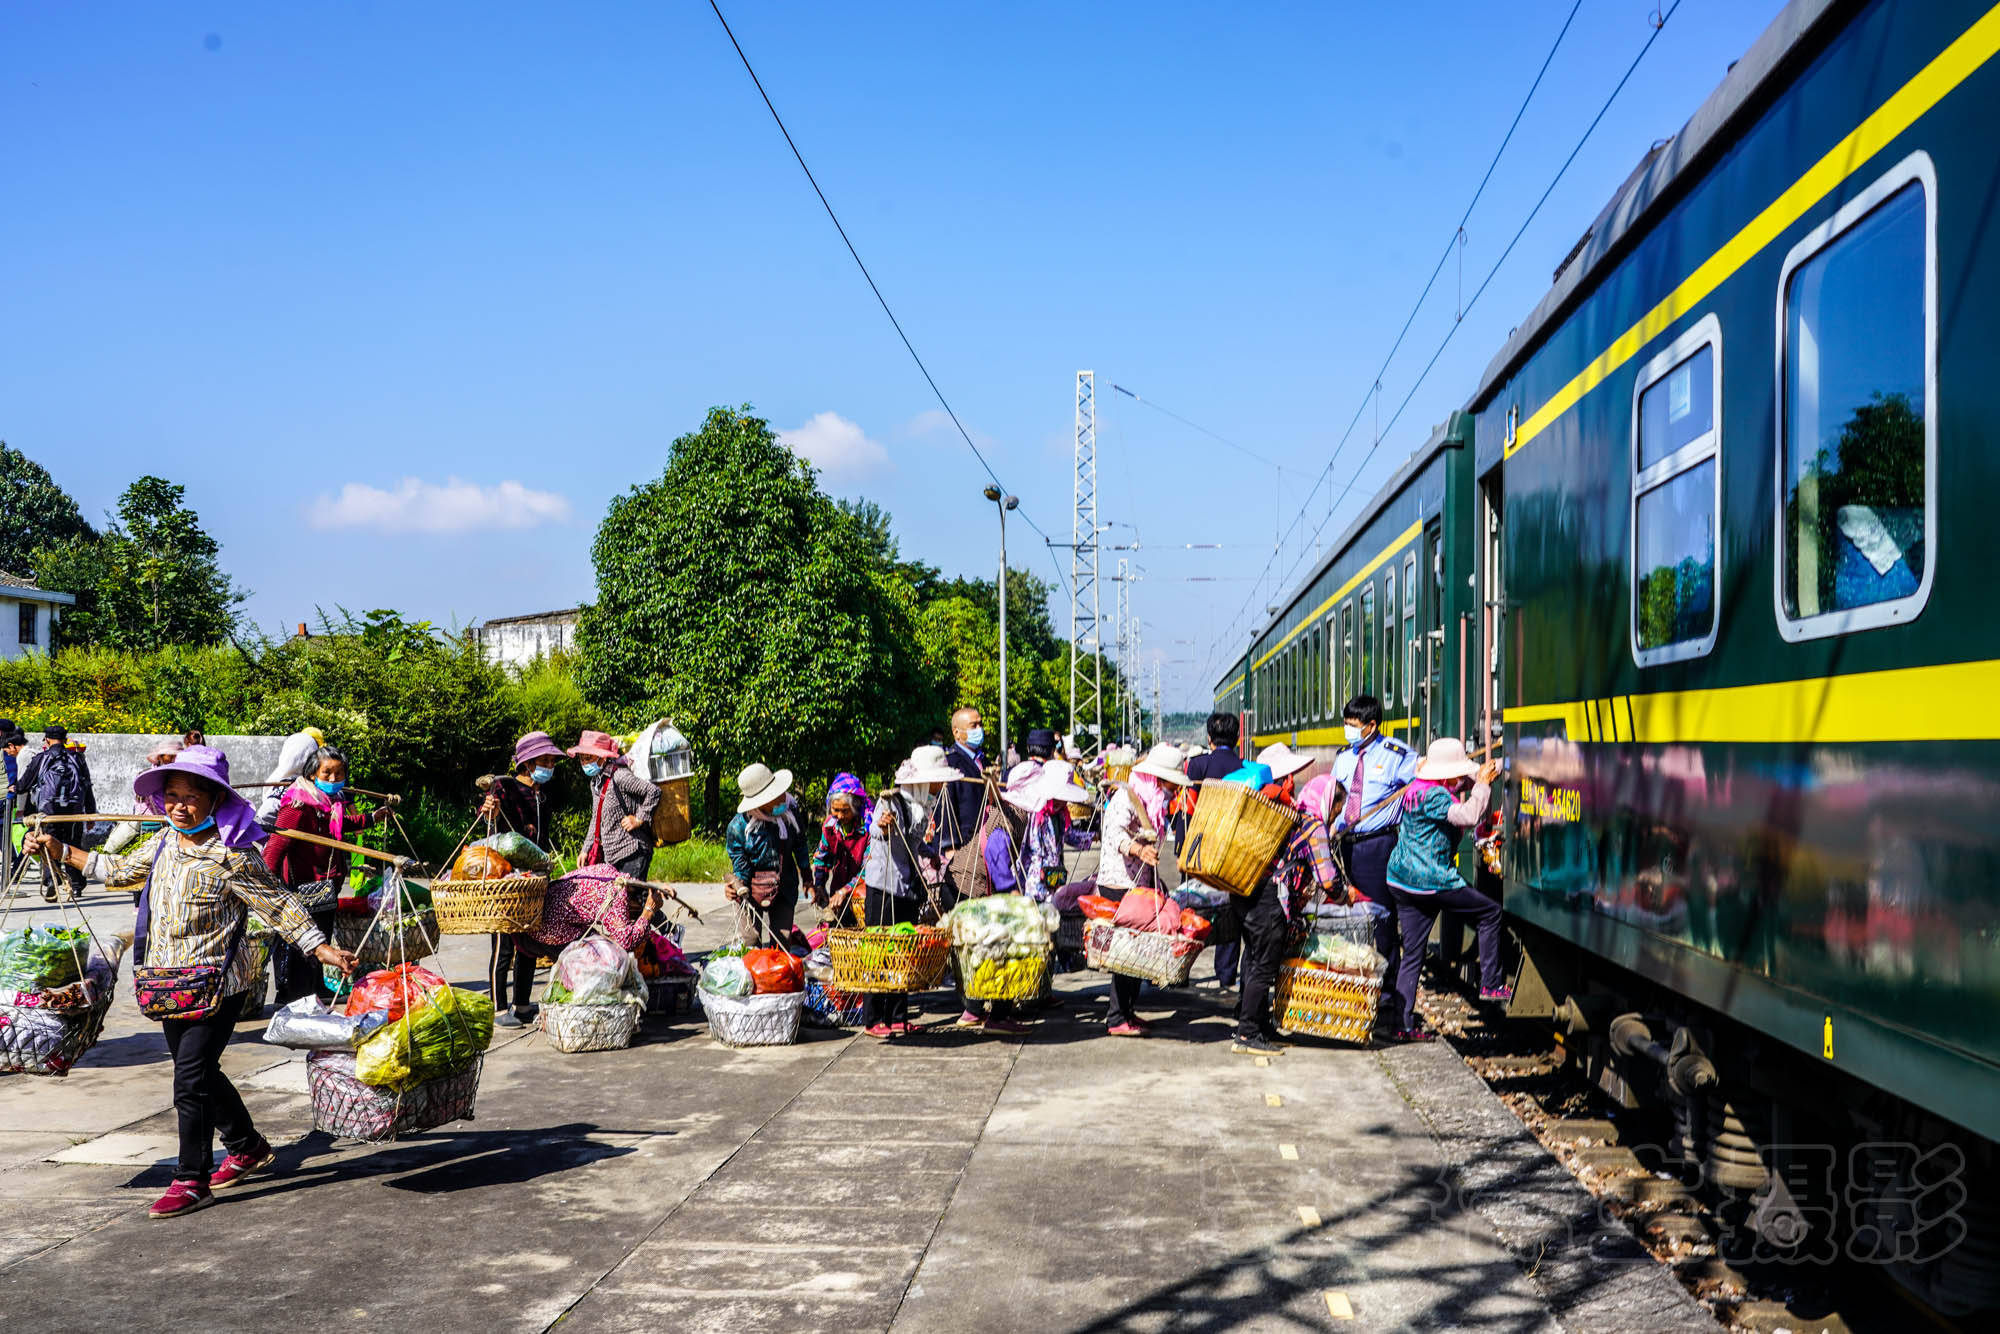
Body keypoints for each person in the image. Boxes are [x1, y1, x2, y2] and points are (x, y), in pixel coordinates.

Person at [24, 746, 358, 1219]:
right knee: (198, 1071)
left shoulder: (232, 855)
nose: (180, 806)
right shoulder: (162, 842)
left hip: (218, 982)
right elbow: (115, 871)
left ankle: (191, 1178)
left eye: (191, 797)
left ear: (215, 800)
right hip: (168, 981)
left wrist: (318, 946)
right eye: (173, 796)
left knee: (190, 1079)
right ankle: (247, 1147)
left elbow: (278, 906)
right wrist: (60, 850)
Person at [1382, 738, 1507, 1042]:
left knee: (1412, 955)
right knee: (1490, 913)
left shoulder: (1415, 788)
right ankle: (1491, 982)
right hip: (1430, 880)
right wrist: (1482, 786)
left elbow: (1460, 782)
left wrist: (1495, 767)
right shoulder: (1437, 796)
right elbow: (1467, 815)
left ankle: (1402, 1025)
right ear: (1447, 774)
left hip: (1400, 878)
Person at [262, 744, 397, 1004]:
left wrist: (371, 818)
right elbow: (275, 849)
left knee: (321, 937)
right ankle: (296, 994)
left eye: (339, 774)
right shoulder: (298, 805)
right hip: (301, 886)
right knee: (303, 939)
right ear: (313, 773)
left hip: (325, 885)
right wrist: (267, 889)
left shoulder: (329, 803)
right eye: (327, 774)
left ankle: (316, 987)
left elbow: (339, 826)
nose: (334, 780)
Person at [1329, 695, 1421, 1014]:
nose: (1348, 731)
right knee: (1347, 914)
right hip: (1345, 844)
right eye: (1346, 724)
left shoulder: (1397, 755)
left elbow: (1419, 787)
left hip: (1377, 844)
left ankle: (1386, 985)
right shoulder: (1343, 758)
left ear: (1371, 725)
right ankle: (1353, 979)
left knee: (1380, 916)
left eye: (1353, 726)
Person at [860, 747, 959, 1037]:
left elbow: (914, 842)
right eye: (937, 781)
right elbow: (878, 831)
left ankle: (898, 1016)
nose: (941, 786)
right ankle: (874, 1018)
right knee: (879, 952)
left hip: (907, 887)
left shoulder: (922, 804)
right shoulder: (891, 802)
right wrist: (883, 826)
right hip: (884, 888)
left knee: (903, 951)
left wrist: (931, 853)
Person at [1096, 743, 1189, 1036]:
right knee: (1127, 953)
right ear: (1159, 778)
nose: (1175, 788)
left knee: (1139, 953)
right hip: (1119, 883)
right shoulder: (1126, 797)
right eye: (1172, 782)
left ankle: (1127, 1013)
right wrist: (1138, 850)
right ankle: (1116, 1018)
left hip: (1140, 883)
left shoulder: (1152, 802)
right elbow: (1113, 835)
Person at [478, 731, 566, 1028]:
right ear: (527, 762)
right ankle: (499, 1006)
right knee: (503, 942)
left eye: (552, 761)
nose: (549, 765)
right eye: (544, 760)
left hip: (533, 878)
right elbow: (488, 813)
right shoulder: (505, 786)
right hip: (505, 877)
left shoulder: (543, 796)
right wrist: (488, 810)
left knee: (528, 941)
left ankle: (523, 1002)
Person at [1183, 712, 1243, 988]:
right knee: (1229, 911)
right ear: (1238, 738)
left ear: (1209, 738)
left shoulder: (1197, 766)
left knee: (1191, 909)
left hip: (1198, 849)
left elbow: (1188, 810)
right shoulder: (1246, 769)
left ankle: (1181, 968)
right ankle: (1226, 974)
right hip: (1231, 850)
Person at [726, 762, 807, 947]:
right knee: (751, 940)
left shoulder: (790, 813)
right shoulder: (738, 827)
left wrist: (807, 877)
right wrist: (738, 886)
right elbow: (741, 865)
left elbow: (800, 845)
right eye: (775, 795)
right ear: (761, 802)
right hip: (752, 889)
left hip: (784, 885)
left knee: (782, 942)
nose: (782, 797)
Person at [15, 726, 94, 903]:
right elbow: (87, 787)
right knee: (72, 844)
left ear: (47, 740)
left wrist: (15, 787)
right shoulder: (77, 759)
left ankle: (52, 881)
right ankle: (76, 885)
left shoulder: (41, 758)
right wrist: (90, 813)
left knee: (49, 845)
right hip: (73, 813)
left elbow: (24, 785)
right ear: (65, 739)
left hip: (48, 812)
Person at [571, 731, 659, 881]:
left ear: (603, 757)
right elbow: (596, 818)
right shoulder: (595, 782)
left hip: (633, 850)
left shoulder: (620, 776)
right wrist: (586, 849)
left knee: (632, 902)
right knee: (618, 902)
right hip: (611, 856)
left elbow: (653, 791)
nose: (585, 762)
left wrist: (639, 818)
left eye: (589, 757)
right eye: (582, 758)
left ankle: (654, 899)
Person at [810, 773, 872, 927]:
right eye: (835, 810)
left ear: (855, 807)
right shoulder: (830, 827)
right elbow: (821, 859)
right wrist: (819, 886)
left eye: (845, 811)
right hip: (837, 894)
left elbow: (868, 868)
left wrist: (844, 891)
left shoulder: (868, 828)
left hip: (863, 897)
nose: (839, 815)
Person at [937, 706, 986, 855]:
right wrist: (950, 845)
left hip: (987, 843)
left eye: (980, 724)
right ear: (957, 733)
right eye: (973, 726)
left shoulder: (984, 761)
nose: (979, 729)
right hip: (964, 845)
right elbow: (945, 805)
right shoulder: (950, 763)